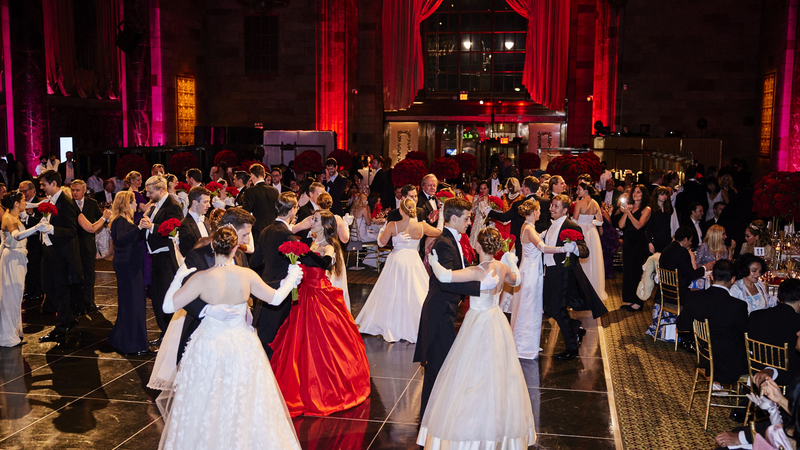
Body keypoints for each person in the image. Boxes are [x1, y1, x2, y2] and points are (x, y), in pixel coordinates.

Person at [158, 227, 303, 450]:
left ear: (213, 247)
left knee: (206, 398)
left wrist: (179, 277)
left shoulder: (201, 278)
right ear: (235, 249)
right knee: (243, 398)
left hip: (208, 346)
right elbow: (275, 300)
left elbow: (168, 306)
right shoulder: (247, 276)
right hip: (242, 346)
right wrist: (291, 278)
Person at [418, 227, 535, 449]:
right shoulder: (500, 268)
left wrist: (432, 261)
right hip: (497, 321)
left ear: (477, 246)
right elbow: (517, 280)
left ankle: (470, 422)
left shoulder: (476, 270)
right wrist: (510, 261)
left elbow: (444, 276)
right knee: (499, 372)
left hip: (477, 322)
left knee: (468, 371)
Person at [269, 210, 371, 417]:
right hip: (305, 294)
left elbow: (324, 264)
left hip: (319, 294)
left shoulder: (329, 246)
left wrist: (303, 253)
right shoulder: (312, 243)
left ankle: (324, 387)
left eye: (314, 220)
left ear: (325, 225)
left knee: (322, 341)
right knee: (299, 341)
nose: (310, 222)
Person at [414, 197, 496, 419]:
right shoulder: (444, 243)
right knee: (436, 368)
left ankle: (434, 415)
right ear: (453, 218)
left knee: (443, 366)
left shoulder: (454, 241)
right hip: (440, 313)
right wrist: (482, 287)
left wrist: (482, 270)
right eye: (467, 218)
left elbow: (461, 271)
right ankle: (427, 419)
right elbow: (445, 281)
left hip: (447, 310)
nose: (469, 222)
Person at [355, 198, 440, 342]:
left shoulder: (393, 225)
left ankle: (391, 323)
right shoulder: (422, 226)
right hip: (413, 261)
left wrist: (383, 229)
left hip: (397, 261)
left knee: (393, 291)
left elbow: (381, 242)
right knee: (415, 291)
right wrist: (442, 215)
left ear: (401, 210)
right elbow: (438, 232)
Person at [542, 194, 607, 359]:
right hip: (550, 272)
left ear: (564, 210)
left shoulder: (571, 226)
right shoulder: (550, 225)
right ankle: (576, 327)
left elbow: (585, 250)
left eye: (556, 206)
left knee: (558, 309)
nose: (552, 208)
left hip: (564, 273)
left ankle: (572, 349)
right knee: (549, 308)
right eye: (552, 205)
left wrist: (574, 248)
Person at [676, 259, 748, 385]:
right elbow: (746, 335)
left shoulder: (694, 297)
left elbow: (682, 326)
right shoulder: (738, 306)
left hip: (704, 356)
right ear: (733, 280)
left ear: (712, 276)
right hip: (728, 363)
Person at [512, 199, 568, 359]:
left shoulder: (529, 227)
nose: (540, 213)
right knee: (529, 308)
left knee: (532, 307)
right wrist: (563, 249)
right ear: (534, 212)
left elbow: (536, 240)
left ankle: (529, 342)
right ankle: (524, 345)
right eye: (538, 210)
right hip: (530, 274)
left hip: (531, 271)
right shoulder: (528, 228)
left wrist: (545, 233)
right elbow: (542, 248)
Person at [249, 194, 300, 357]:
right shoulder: (287, 236)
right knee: (282, 333)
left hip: (266, 285)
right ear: (292, 210)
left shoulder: (266, 230)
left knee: (266, 332)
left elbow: (254, 261)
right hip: (285, 289)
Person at [37, 170, 83, 342]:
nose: (41, 187)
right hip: (49, 250)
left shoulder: (66, 202)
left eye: (44, 184)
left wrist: (52, 230)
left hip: (61, 252)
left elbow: (72, 231)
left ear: (54, 184)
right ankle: (68, 317)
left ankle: (63, 324)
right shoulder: (49, 201)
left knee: (60, 288)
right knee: (47, 286)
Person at [139, 175, 184, 342]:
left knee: (165, 295)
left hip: (167, 256)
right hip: (156, 256)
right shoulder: (154, 206)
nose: (148, 196)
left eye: (150, 192)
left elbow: (175, 229)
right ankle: (164, 332)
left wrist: (152, 227)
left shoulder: (172, 206)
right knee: (157, 296)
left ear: (161, 190)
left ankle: (170, 335)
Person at [107, 191, 150, 355]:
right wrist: (138, 227)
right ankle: (132, 343)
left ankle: (130, 341)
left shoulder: (125, 221)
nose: (135, 205)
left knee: (133, 302)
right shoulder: (119, 221)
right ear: (126, 204)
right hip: (127, 267)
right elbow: (121, 239)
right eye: (133, 202)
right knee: (132, 302)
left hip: (130, 265)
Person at [0, 191, 43, 347]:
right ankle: (6, 335)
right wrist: (37, 228)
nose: (26, 203)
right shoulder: (9, 218)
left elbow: (28, 205)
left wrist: (40, 205)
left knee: (16, 295)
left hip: (17, 257)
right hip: (12, 259)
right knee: (10, 295)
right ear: (16, 204)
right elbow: (17, 236)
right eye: (23, 200)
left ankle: (13, 330)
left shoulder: (12, 213)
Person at [70, 180, 109, 315]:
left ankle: (90, 303)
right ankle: (78, 304)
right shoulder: (68, 204)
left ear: (84, 190)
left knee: (89, 275)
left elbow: (100, 219)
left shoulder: (91, 203)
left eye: (77, 190)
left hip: (88, 244)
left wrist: (107, 219)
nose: (75, 193)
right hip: (73, 244)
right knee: (76, 275)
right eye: (73, 190)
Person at [616, 184, 652, 311]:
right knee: (627, 271)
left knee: (636, 272)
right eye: (634, 192)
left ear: (643, 195)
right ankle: (629, 298)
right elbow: (621, 225)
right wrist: (627, 212)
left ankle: (638, 302)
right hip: (628, 242)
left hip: (638, 243)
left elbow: (639, 225)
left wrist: (629, 214)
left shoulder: (646, 209)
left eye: (638, 192)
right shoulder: (630, 208)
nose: (635, 194)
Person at [573, 181, 607, 301]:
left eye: (579, 189)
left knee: (581, 259)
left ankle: (582, 291)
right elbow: (600, 222)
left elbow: (574, 222)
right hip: (592, 232)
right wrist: (590, 222)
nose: (577, 192)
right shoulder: (595, 204)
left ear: (585, 190)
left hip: (582, 231)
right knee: (593, 259)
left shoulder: (579, 204)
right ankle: (594, 288)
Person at [239, 163, 278, 242]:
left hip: (257, 229)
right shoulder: (274, 190)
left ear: (252, 175)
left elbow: (246, 211)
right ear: (264, 176)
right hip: (273, 227)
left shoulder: (250, 191)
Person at [177, 186, 211, 257]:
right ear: (195, 202)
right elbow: (186, 253)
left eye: (209, 202)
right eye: (205, 202)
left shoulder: (206, 220)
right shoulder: (184, 225)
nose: (209, 205)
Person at [647, 186, 676, 254]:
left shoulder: (668, 209)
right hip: (655, 239)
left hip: (666, 238)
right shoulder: (651, 209)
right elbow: (648, 227)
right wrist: (649, 242)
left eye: (666, 194)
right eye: (662, 194)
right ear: (656, 196)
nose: (664, 196)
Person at [469, 180, 491, 250]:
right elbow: (472, 210)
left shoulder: (491, 198)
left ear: (488, 189)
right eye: (481, 189)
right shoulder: (476, 197)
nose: (483, 190)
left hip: (489, 224)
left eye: (485, 188)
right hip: (479, 223)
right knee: (478, 245)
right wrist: (477, 201)